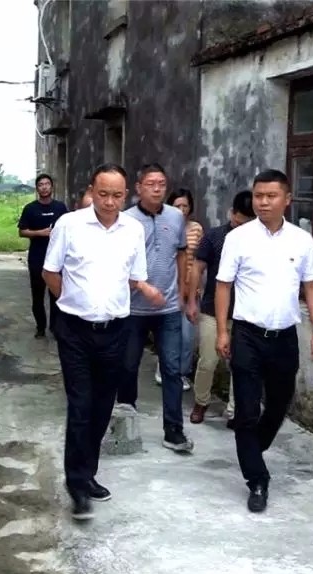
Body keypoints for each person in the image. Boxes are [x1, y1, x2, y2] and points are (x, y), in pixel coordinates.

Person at [42, 163, 163, 521]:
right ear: (92, 191)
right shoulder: (69, 224)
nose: (109, 202)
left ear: (126, 195)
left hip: (115, 331)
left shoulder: (133, 230)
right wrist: (74, 302)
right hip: (75, 331)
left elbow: (133, 277)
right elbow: (50, 272)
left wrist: (132, 294)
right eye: (103, 194)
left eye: (117, 195)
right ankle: (77, 485)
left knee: (102, 406)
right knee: (80, 405)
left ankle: (88, 472)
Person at [214, 169, 313, 513]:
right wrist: (222, 330)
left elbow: (312, 286)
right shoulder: (238, 238)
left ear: (287, 199)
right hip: (247, 335)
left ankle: (252, 447)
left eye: (271, 196)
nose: (263, 202)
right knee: (247, 411)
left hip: (284, 337)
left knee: (279, 404)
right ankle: (257, 479)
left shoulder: (301, 240)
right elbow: (223, 285)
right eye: (258, 196)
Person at [114, 163, 194, 454]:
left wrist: (183, 293)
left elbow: (181, 255)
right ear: (138, 188)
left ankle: (173, 431)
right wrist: (142, 288)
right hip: (133, 310)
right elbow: (118, 264)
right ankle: (125, 428)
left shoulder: (175, 217)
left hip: (168, 309)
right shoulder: (125, 220)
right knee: (128, 367)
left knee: (172, 369)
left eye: (161, 183)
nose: (157, 189)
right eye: (151, 184)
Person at [185, 190, 255, 427]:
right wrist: (192, 301)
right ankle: (201, 401)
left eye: (247, 224)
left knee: (241, 365)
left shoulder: (258, 241)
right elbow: (197, 268)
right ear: (231, 213)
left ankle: (235, 410)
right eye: (238, 222)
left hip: (245, 313)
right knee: (208, 361)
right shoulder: (214, 237)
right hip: (212, 311)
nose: (241, 228)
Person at [156, 188, 203, 392]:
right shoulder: (164, 226)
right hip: (169, 287)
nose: (182, 210)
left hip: (191, 288)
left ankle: (181, 373)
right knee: (169, 333)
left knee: (187, 336)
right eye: (177, 206)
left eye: (185, 206)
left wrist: (195, 288)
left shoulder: (196, 229)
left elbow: (199, 261)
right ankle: (164, 369)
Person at [17, 173, 69, 338]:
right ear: (37, 188)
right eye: (41, 184)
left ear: (52, 187)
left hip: (58, 258)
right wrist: (41, 233)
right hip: (37, 257)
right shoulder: (30, 208)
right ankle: (40, 327)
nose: (44, 187)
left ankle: (55, 327)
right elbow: (22, 232)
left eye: (47, 184)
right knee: (38, 294)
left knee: (57, 294)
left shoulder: (60, 208)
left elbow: (69, 229)